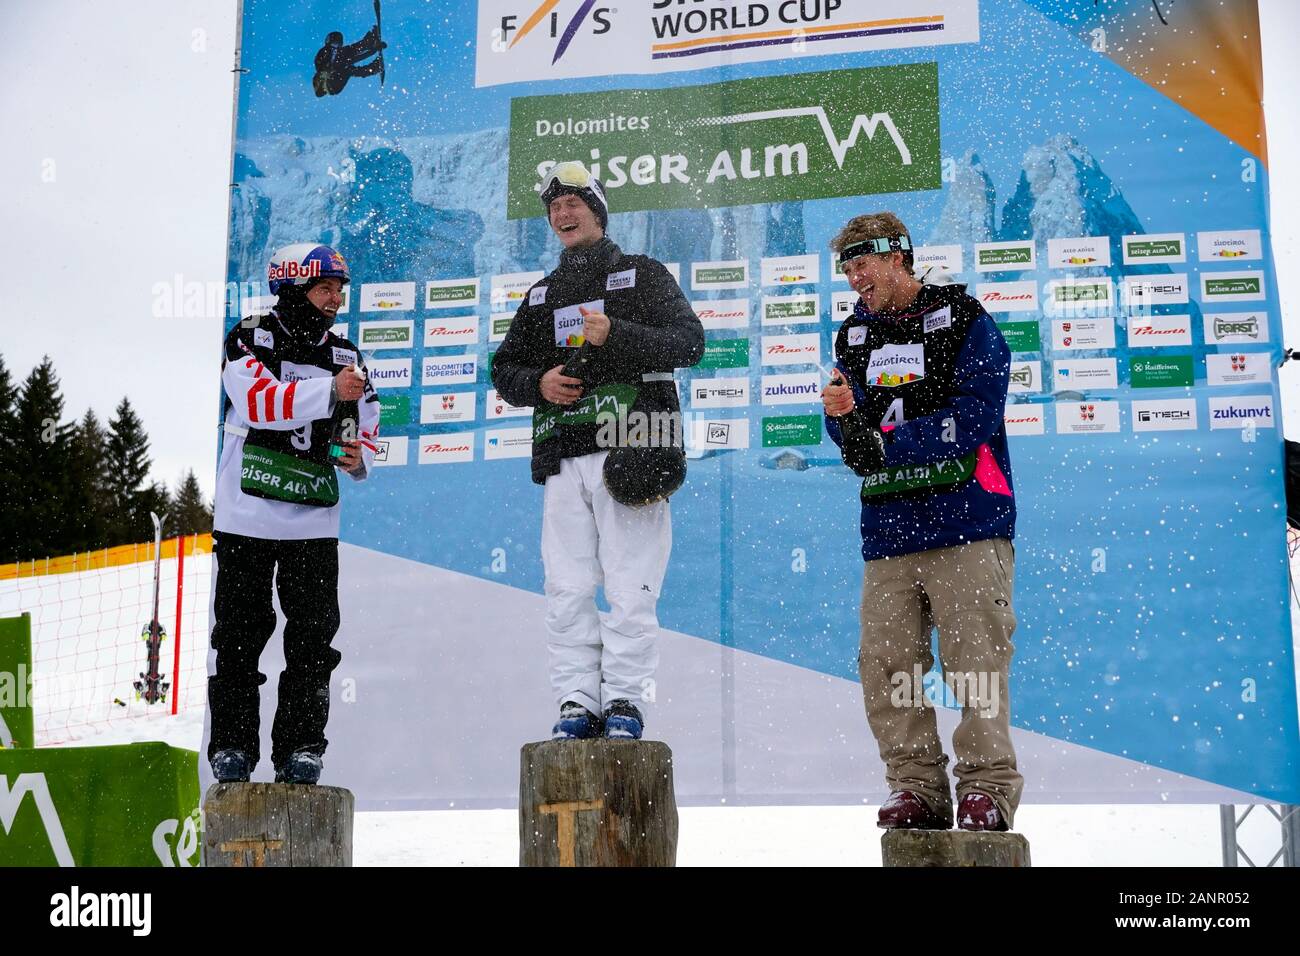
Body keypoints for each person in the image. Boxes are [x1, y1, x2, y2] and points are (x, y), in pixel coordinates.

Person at [821, 212, 1023, 831]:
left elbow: (979, 410)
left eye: (864, 263)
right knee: (889, 666)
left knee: (974, 663)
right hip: (889, 528)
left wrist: (893, 443)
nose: (856, 278)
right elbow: (855, 443)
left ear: (899, 256)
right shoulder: (851, 337)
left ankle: (986, 788)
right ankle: (916, 787)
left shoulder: (964, 319)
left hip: (966, 517)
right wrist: (844, 418)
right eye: (847, 268)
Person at [491, 161, 704, 741]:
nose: (563, 213)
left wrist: (618, 334)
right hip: (563, 453)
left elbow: (690, 343)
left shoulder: (642, 274)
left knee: (631, 586)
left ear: (598, 211)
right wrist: (538, 384)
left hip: (632, 446)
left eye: (574, 203)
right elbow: (503, 369)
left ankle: (626, 703)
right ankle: (576, 700)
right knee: (566, 587)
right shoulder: (542, 295)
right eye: (554, 207)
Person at [208, 243, 380, 785]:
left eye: (340, 291)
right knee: (239, 636)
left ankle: (302, 748)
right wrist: (329, 390)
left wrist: (360, 458)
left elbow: (368, 423)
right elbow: (259, 402)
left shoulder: (347, 355)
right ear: (291, 287)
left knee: (311, 642)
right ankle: (233, 746)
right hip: (245, 516)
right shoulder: (247, 335)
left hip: (312, 521)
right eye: (324, 289)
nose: (335, 300)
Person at [312, 27, 386, 97]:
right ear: (328, 42)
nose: (336, 47)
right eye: (334, 44)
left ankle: (370, 41)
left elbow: (352, 51)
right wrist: (374, 50)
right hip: (331, 85)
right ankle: (374, 68)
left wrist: (374, 47)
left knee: (349, 51)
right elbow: (354, 59)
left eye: (338, 45)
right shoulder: (326, 53)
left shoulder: (338, 52)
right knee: (349, 69)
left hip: (333, 74)